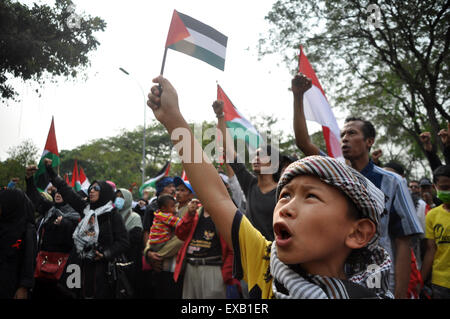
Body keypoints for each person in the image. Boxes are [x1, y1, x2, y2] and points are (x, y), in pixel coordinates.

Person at [146, 76, 393, 299]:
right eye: (285, 196)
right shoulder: (264, 262)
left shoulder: (369, 293)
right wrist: (173, 119)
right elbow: (217, 196)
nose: (284, 207)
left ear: (358, 232)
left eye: (311, 196)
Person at [291, 72, 423, 298]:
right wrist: (298, 96)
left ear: (369, 142)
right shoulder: (337, 173)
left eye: (352, 134)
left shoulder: (393, 182)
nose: (344, 139)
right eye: (342, 135)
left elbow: (403, 242)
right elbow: (304, 142)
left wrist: (400, 293)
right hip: (339, 279)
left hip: (380, 282)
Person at [44, 159, 129, 299]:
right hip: (79, 266)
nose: (92, 190)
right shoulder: (86, 209)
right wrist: (50, 171)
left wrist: (105, 254)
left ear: (106, 193)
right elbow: (66, 190)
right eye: (91, 188)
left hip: (102, 270)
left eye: (97, 188)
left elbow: (123, 242)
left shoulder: (112, 215)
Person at [213, 99, 279, 242]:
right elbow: (230, 151)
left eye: (262, 156)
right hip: (251, 252)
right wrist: (220, 116)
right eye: (255, 155)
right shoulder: (250, 185)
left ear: (273, 164)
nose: (256, 158)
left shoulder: (283, 191)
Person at [24, 165, 80, 299]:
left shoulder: (77, 214)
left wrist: (65, 224)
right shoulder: (50, 210)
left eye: (62, 192)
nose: (58, 194)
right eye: (56, 192)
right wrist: (29, 178)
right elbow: (35, 198)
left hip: (67, 270)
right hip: (44, 267)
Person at [174, 198, 240, 299]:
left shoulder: (225, 215)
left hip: (213, 268)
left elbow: (232, 248)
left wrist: (225, 275)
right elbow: (180, 234)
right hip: (191, 268)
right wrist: (189, 215)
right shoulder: (195, 212)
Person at [0, 188, 37, 299]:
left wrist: (24, 287)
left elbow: (28, 260)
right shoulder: (3, 225)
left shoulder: (26, 230)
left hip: (13, 286)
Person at [420, 165, 450, 299]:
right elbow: (431, 250)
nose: (449, 191)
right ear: (435, 187)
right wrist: (420, 281)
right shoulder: (432, 215)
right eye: (444, 188)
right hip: (440, 283)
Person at [115, 188, 143, 298]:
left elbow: (135, 238)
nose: (118, 199)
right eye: (117, 196)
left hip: (130, 259)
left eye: (121, 197)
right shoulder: (113, 216)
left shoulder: (134, 217)